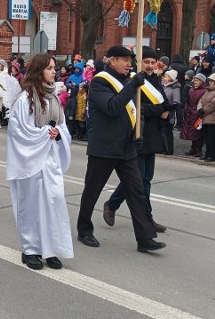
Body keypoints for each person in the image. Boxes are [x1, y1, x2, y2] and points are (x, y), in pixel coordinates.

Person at [75, 45, 164, 253]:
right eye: (124, 59)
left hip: (126, 148)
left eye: (130, 60)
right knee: (92, 191)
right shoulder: (99, 82)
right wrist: (132, 86)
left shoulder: (128, 82)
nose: (129, 63)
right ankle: (84, 230)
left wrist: (137, 133)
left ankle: (145, 238)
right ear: (112, 60)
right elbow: (113, 108)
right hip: (104, 148)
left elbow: (136, 112)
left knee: (137, 192)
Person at [6, 53, 73, 270]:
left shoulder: (53, 98)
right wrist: (45, 133)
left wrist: (57, 133)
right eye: (50, 68)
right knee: (32, 206)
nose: (55, 71)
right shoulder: (25, 100)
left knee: (54, 203)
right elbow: (19, 131)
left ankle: (51, 249)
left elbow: (63, 127)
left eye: (55, 68)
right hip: (31, 162)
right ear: (38, 71)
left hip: (50, 160)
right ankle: (31, 249)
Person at [103, 46, 172, 234]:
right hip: (137, 134)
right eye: (146, 62)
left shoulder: (155, 81)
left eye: (152, 63)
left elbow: (163, 103)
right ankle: (124, 210)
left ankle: (123, 208)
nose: (150, 66)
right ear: (138, 63)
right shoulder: (132, 80)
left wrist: (169, 108)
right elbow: (136, 107)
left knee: (146, 180)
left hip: (153, 135)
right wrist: (160, 110)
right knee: (137, 180)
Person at [197, 73, 215, 162]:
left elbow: (214, 104)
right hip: (204, 117)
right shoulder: (207, 90)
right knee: (206, 137)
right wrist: (200, 108)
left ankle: (212, 155)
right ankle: (207, 154)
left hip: (212, 117)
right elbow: (201, 100)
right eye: (210, 80)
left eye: (212, 81)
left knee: (211, 138)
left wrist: (203, 110)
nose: (210, 82)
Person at [180, 73, 207, 156]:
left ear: (202, 82)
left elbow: (203, 102)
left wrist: (198, 111)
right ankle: (193, 148)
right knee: (192, 131)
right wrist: (186, 108)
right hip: (189, 112)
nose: (195, 82)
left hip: (198, 113)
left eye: (197, 80)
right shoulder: (191, 90)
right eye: (195, 80)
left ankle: (199, 149)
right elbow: (187, 101)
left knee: (198, 131)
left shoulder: (204, 91)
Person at [160, 69, 182, 154]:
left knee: (167, 131)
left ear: (170, 78)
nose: (164, 78)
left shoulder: (175, 88)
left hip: (168, 113)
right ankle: (161, 148)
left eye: (166, 76)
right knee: (161, 130)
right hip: (160, 111)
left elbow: (176, 102)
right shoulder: (162, 86)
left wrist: (167, 110)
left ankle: (169, 149)